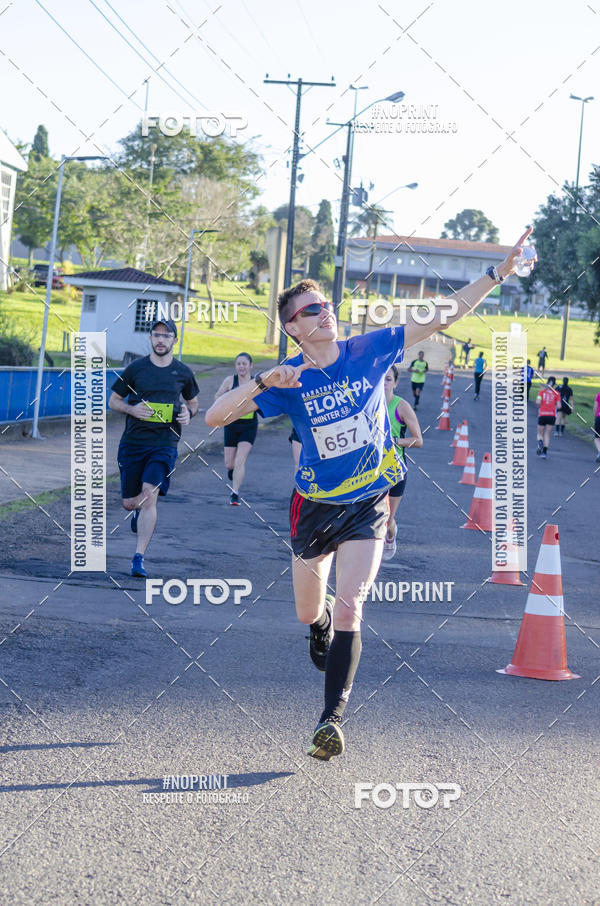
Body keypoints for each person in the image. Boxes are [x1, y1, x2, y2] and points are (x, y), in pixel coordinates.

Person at [205, 227, 531, 762]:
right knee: (310, 610)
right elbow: (217, 417)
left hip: (368, 502)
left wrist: (498, 271)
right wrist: (266, 380)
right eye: (310, 311)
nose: (323, 313)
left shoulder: (370, 348)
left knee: (353, 603)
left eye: (325, 305)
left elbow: (443, 314)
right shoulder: (287, 381)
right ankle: (318, 625)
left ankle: (330, 720)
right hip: (313, 507)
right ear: (292, 327)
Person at [109, 319, 199, 577]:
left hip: (164, 443)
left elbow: (193, 403)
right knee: (129, 503)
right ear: (150, 338)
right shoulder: (136, 369)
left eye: (166, 335)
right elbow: (113, 400)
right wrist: (131, 408)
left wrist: (188, 415)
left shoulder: (182, 372)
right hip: (134, 443)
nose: (161, 340)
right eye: (157, 335)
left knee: (150, 493)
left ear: (174, 340)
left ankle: (138, 558)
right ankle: (136, 513)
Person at [382, 366, 423, 560]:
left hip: (394, 468)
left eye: (388, 379)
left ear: (396, 383)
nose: (383, 384)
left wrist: (394, 441)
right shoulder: (365, 405)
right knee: (368, 516)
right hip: (367, 470)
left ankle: (391, 534)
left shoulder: (401, 406)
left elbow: (418, 440)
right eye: (380, 379)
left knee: (387, 518)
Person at [214, 352, 259, 505]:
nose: (241, 367)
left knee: (240, 460)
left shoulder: (255, 382)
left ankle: (235, 493)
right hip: (231, 424)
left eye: (244, 364)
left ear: (250, 366)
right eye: (239, 364)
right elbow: (217, 397)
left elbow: (265, 399)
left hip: (249, 425)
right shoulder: (230, 380)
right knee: (230, 464)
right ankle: (234, 472)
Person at [536, 375, 561, 459]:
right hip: (552, 416)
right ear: (555, 384)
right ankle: (544, 453)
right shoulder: (557, 393)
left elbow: (538, 402)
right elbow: (559, 406)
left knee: (540, 433)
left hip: (542, 414)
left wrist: (543, 403)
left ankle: (540, 442)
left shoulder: (541, 392)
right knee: (547, 434)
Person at [593, 389, 600, 462]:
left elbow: (595, 408)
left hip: (599, 417)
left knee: (597, 437)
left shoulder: (599, 394)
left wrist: (594, 418)